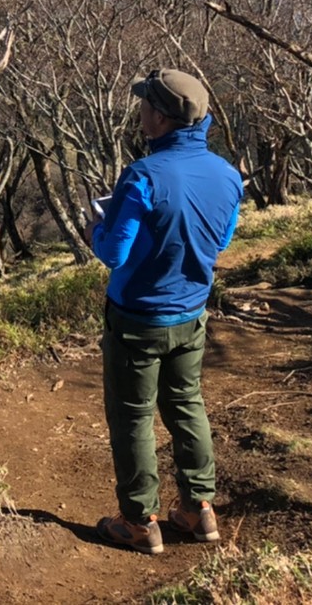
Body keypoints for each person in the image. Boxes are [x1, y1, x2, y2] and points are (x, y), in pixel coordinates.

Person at [91, 68, 243, 555]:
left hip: (137, 318)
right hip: (192, 313)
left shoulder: (142, 176)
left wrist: (95, 226)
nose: (140, 112)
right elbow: (219, 240)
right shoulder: (227, 173)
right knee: (186, 405)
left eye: (144, 105)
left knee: (133, 418)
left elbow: (114, 253)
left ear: (158, 116)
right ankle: (199, 511)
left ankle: (139, 522)